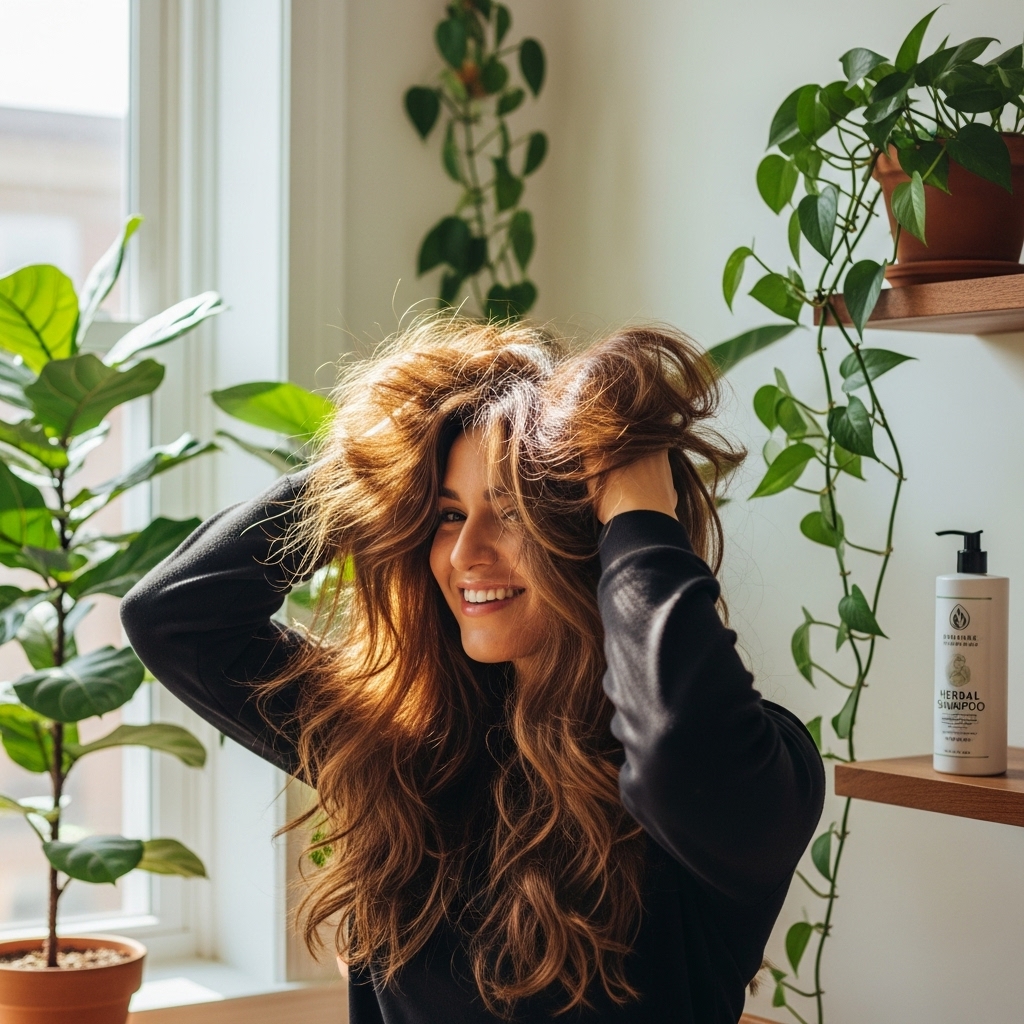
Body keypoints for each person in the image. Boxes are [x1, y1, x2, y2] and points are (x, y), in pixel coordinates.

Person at [121, 319, 825, 1024]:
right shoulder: (411, 751)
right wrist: (378, 465)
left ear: (600, 538)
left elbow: (675, 752)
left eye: (514, 512)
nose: (466, 555)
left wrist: (642, 513)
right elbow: (174, 617)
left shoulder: (756, 770)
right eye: (448, 515)